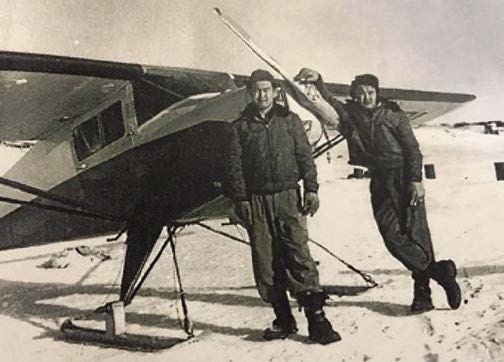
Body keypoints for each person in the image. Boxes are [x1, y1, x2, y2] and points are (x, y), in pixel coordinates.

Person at [290, 68, 461, 313]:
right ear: (354, 96)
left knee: (416, 234)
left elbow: (413, 150)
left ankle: (423, 295)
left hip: (403, 176)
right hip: (379, 179)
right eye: (360, 93)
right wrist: (319, 80)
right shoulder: (352, 115)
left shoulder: (393, 115)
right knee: (391, 235)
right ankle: (440, 272)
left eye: (370, 92)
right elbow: (327, 101)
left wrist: (415, 180)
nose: (366, 97)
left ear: (377, 93)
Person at [225, 69, 341, 344]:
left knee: (298, 253)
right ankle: (284, 319)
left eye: (267, 89)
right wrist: (241, 199)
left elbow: (305, 157)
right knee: (266, 263)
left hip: (289, 197)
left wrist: (311, 189)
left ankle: (317, 320)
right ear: (249, 93)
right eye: (257, 90)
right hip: (257, 200)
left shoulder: (290, 121)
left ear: (276, 92)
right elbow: (235, 168)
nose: (262, 95)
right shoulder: (240, 127)